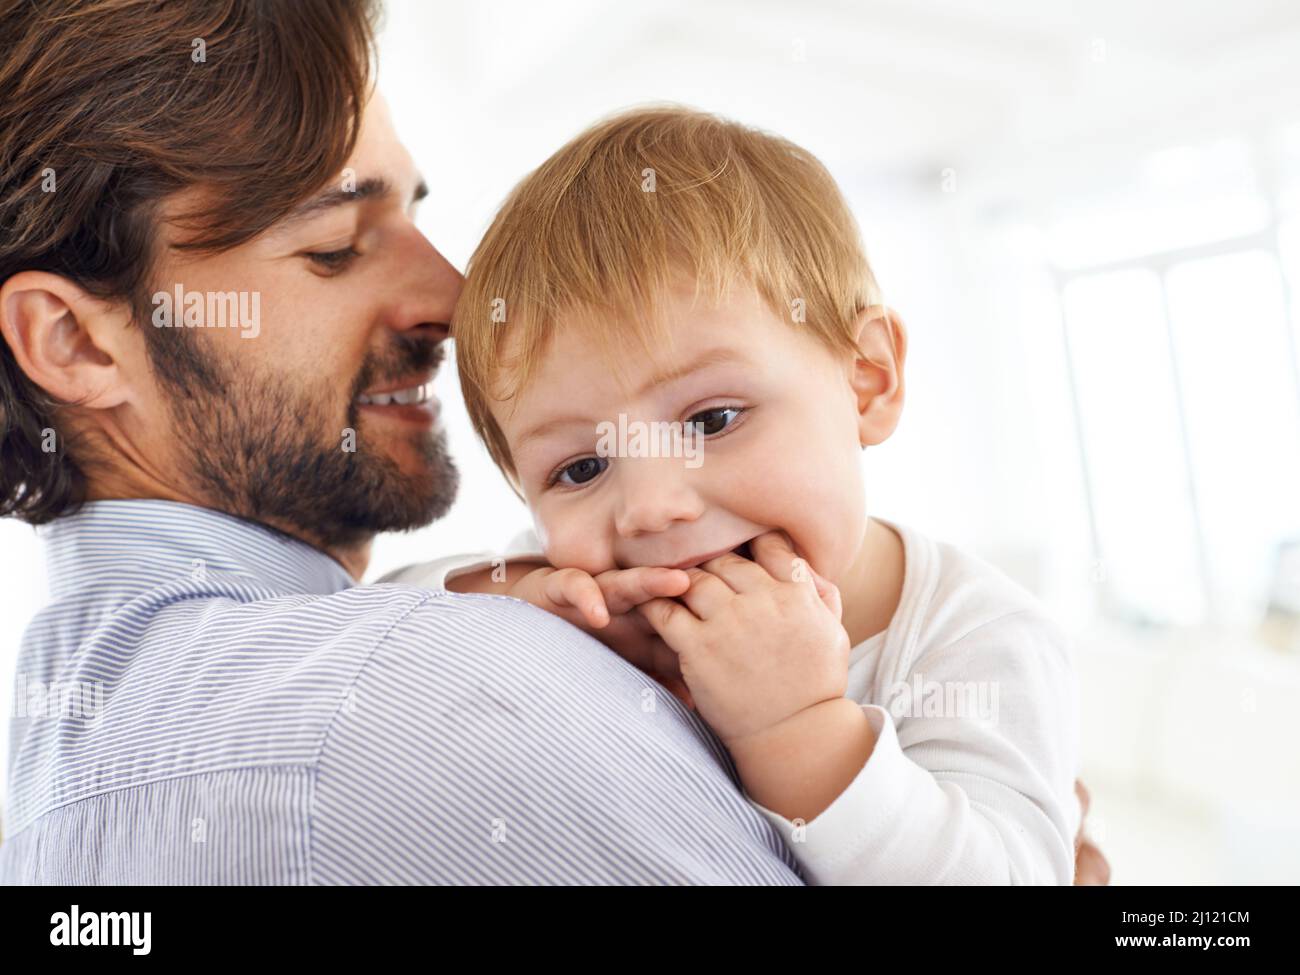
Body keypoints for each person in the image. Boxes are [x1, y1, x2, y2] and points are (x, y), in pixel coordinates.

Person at [0, 0, 1107, 884]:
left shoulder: (71, 734)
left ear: (869, 379)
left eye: (713, 420)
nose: (449, 292)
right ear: (74, 342)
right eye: (337, 245)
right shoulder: (455, 693)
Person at [385, 107, 1082, 883]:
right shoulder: (584, 595)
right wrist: (515, 592)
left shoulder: (971, 636)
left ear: (868, 381)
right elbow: (391, 616)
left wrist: (798, 728)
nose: (651, 507)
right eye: (580, 469)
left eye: (712, 419)